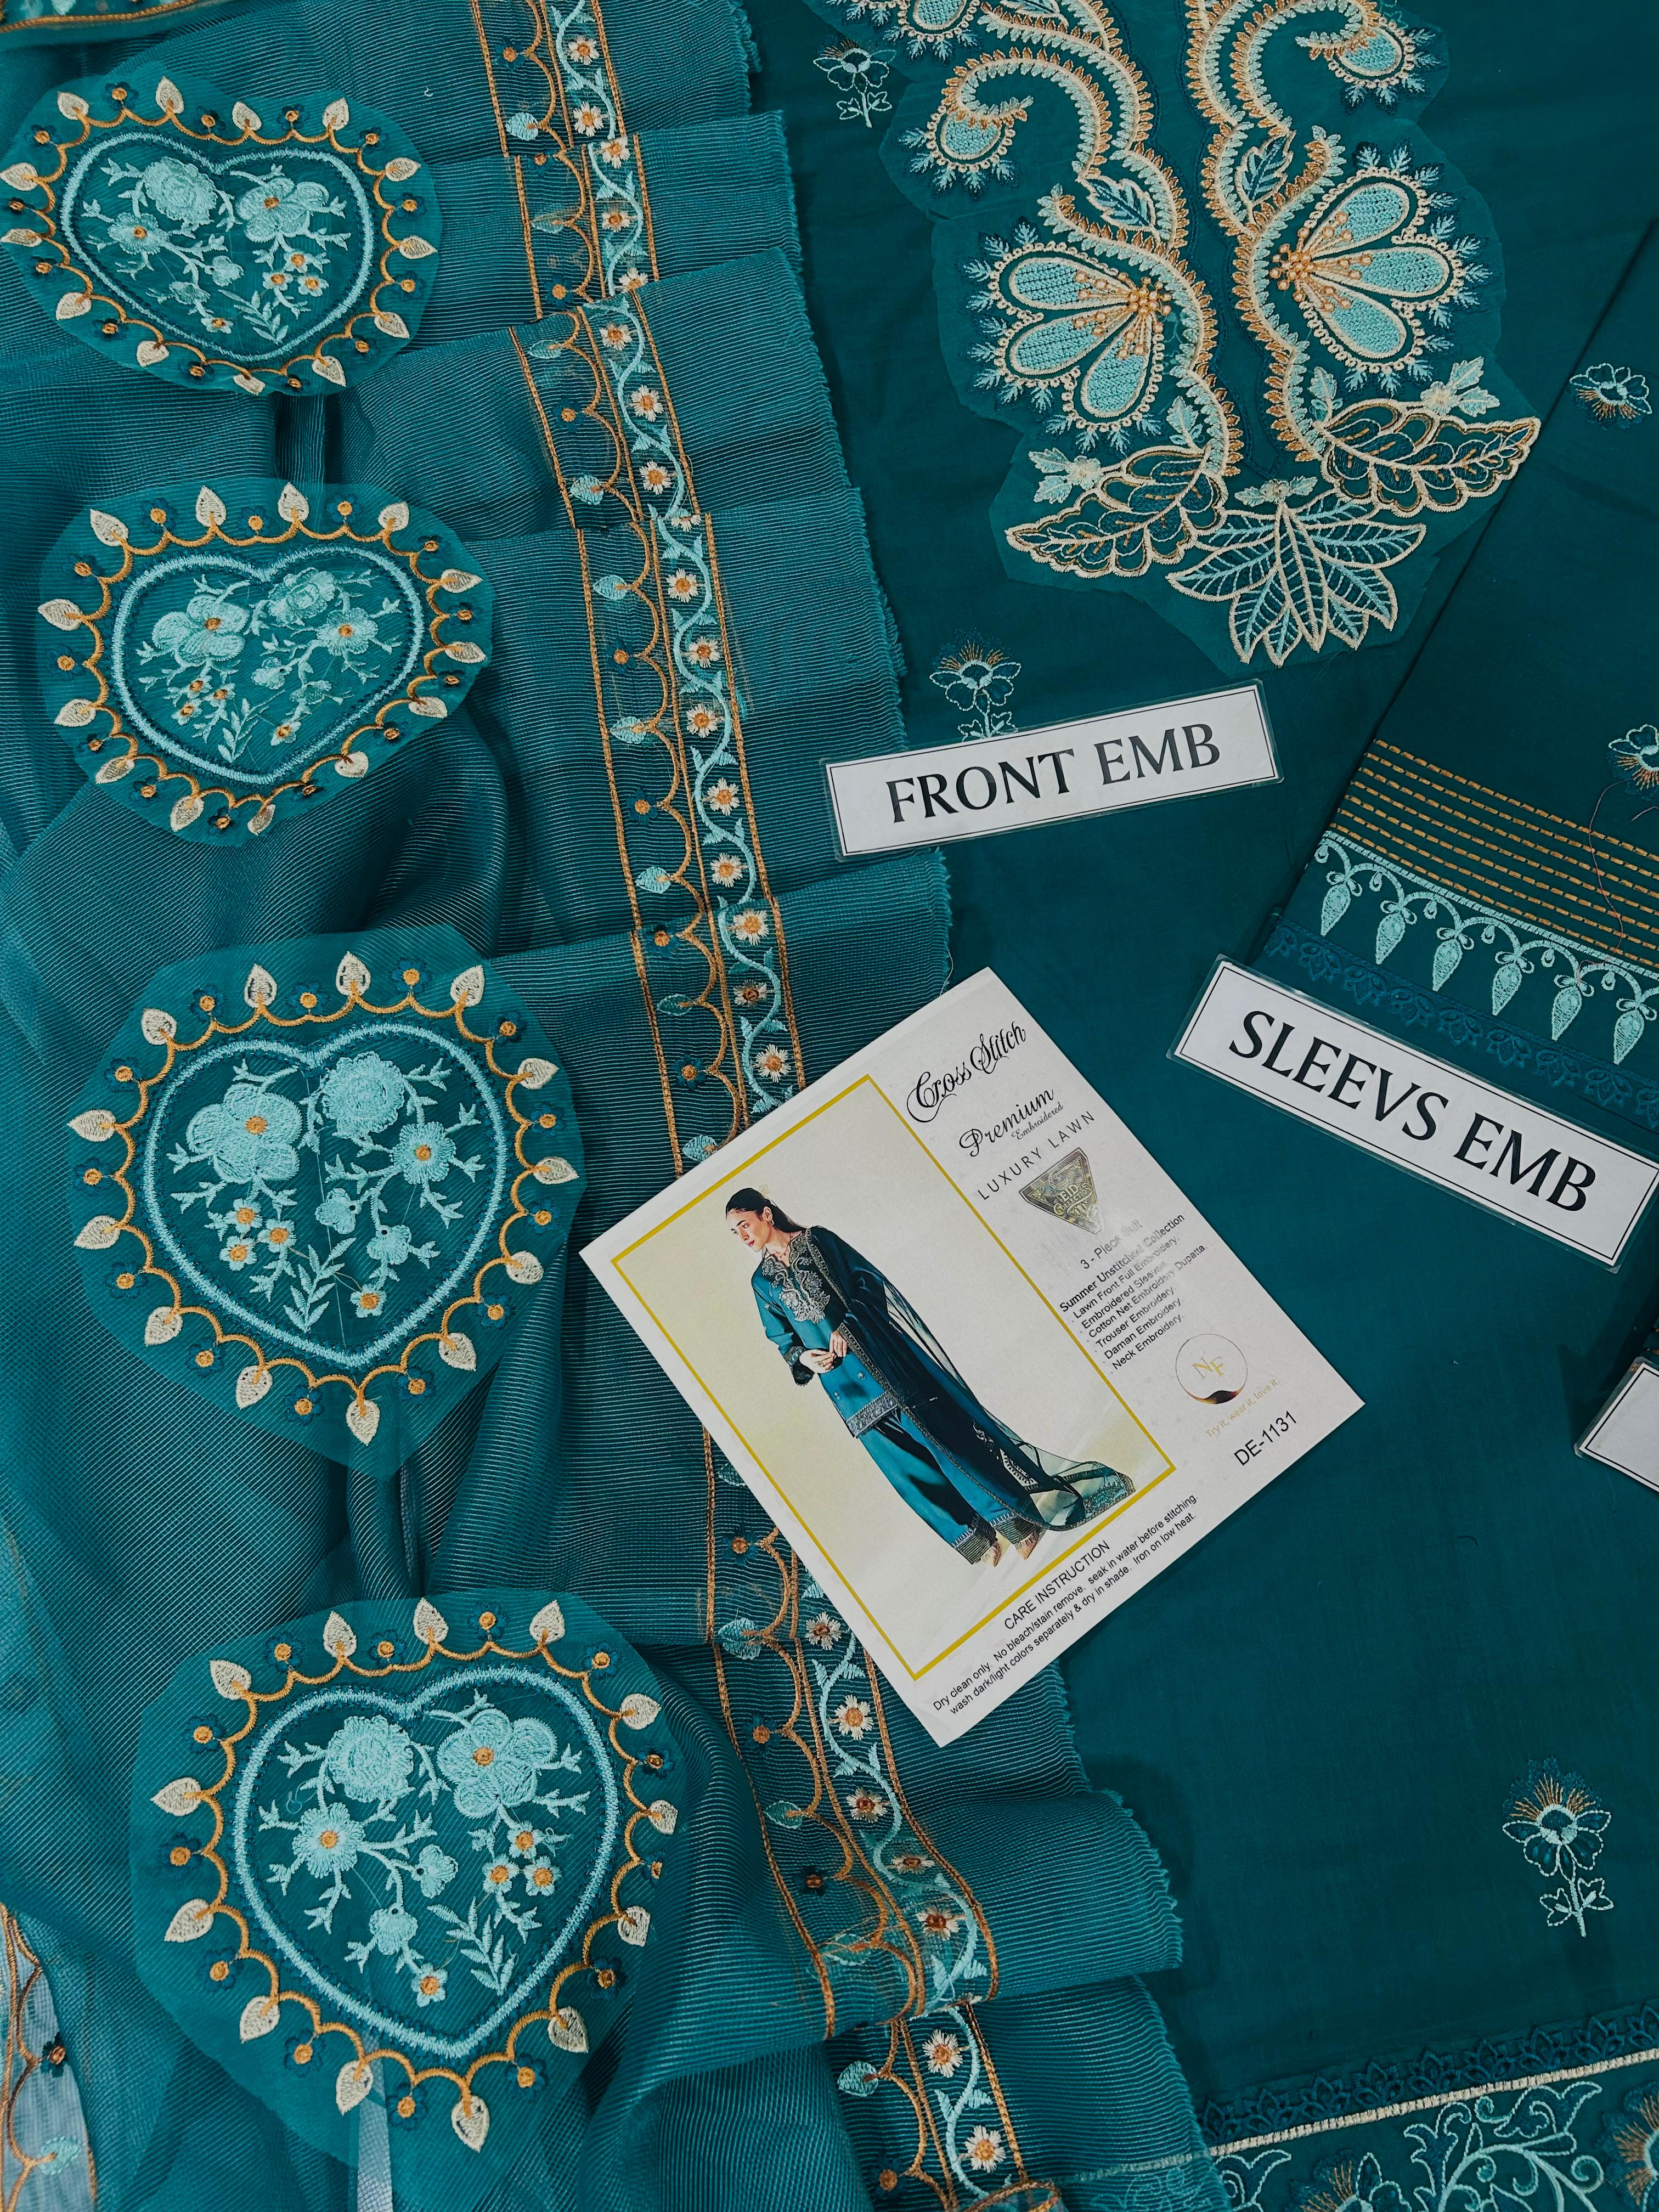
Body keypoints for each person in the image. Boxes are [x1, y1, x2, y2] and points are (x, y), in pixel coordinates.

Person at [726, 1188, 1131, 1564]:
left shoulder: (818, 1241)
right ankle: (979, 1541)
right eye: (735, 1232)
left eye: (745, 1224)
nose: (742, 1236)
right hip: (846, 1392)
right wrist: (805, 1359)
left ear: (766, 1215)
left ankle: (1018, 1524)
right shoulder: (762, 1283)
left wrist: (849, 1328)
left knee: (947, 1447)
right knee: (909, 1474)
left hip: (885, 1365)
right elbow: (782, 1339)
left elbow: (869, 1283)